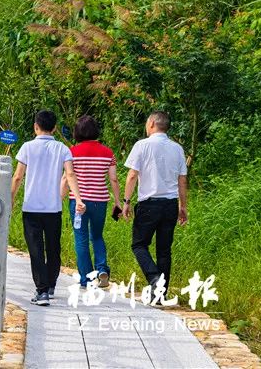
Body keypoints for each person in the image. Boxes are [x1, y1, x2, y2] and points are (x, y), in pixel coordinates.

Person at [12, 110, 85, 306]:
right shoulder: (63, 149)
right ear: (54, 128)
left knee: (36, 249)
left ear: (36, 126)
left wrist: (10, 200)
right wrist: (78, 198)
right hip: (53, 208)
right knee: (53, 247)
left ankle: (42, 291)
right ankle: (50, 285)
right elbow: (70, 175)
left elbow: (18, 177)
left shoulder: (27, 147)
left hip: (32, 208)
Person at [122, 110, 188, 295]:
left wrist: (126, 202)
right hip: (170, 205)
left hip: (149, 204)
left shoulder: (142, 145)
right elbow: (182, 180)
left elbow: (132, 175)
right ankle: (161, 292)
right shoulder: (177, 148)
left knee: (139, 245)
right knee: (164, 250)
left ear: (151, 124)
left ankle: (154, 278)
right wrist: (183, 207)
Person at [61, 115, 122, 289]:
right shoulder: (108, 152)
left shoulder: (71, 152)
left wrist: (59, 199)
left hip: (78, 203)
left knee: (80, 239)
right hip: (100, 202)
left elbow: (67, 177)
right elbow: (114, 179)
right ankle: (102, 269)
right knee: (96, 236)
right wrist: (117, 201)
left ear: (77, 131)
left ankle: (86, 279)